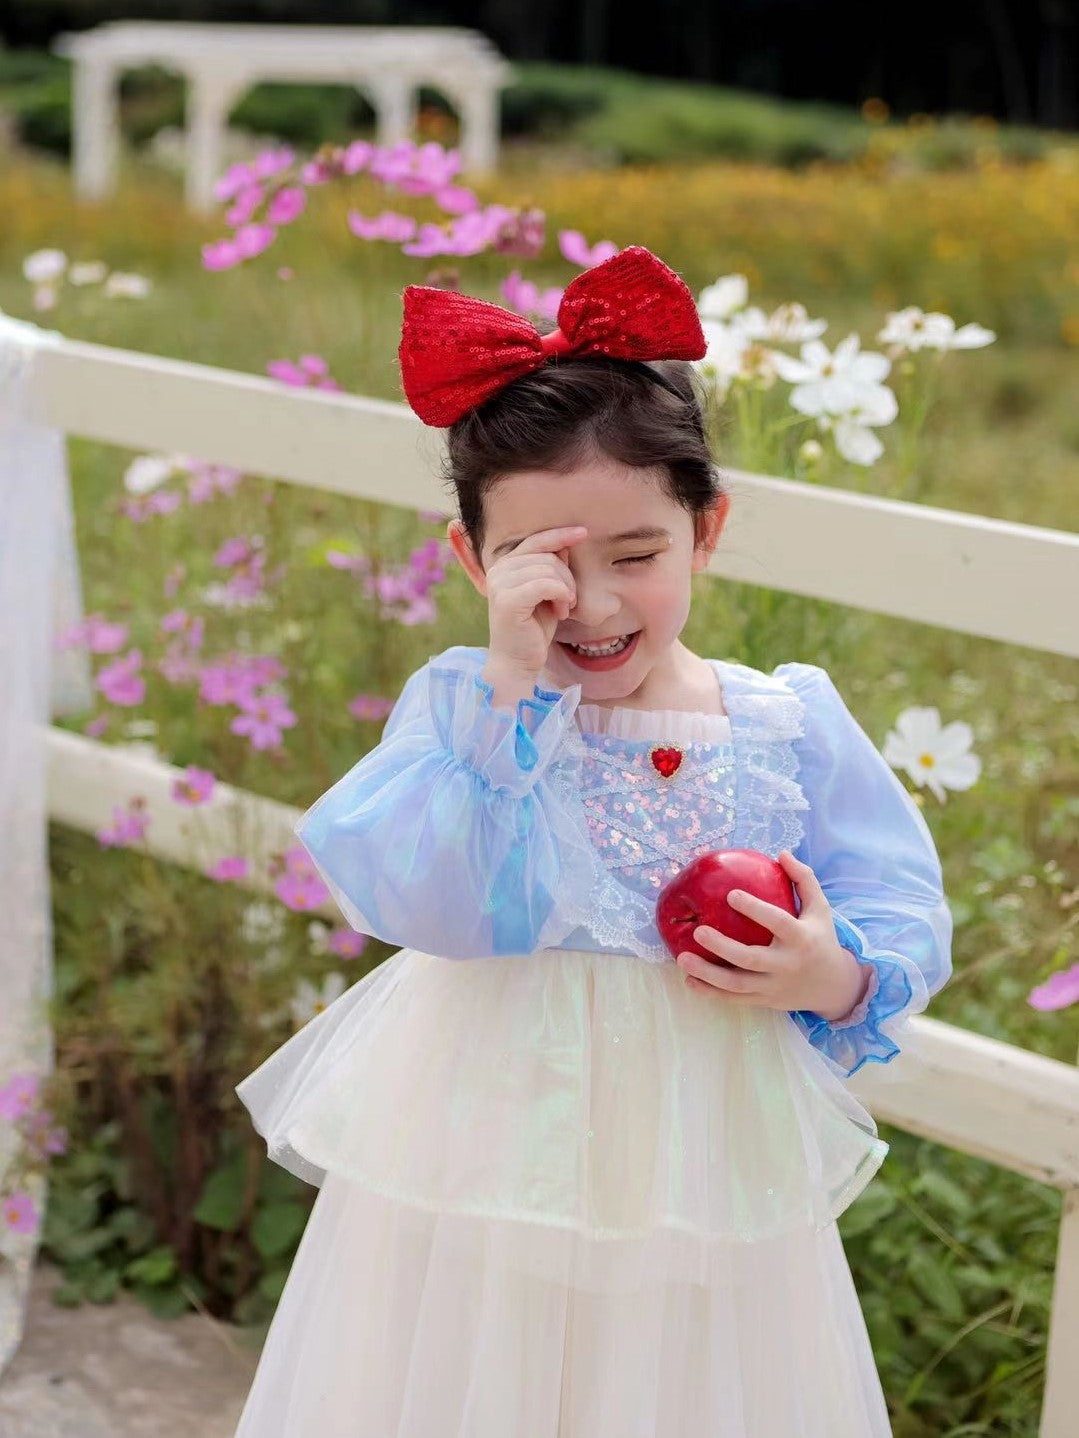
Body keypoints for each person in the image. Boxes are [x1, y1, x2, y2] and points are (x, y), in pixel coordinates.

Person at [232, 246, 951, 1437]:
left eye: (635, 557)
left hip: (699, 1150)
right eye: (547, 567)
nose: (599, 607)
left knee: (679, 1386)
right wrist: (514, 698)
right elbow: (426, 898)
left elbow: (898, 895)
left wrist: (831, 970)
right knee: (468, 1377)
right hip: (481, 1136)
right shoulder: (469, 719)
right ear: (471, 559)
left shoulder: (780, 722)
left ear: (704, 530)